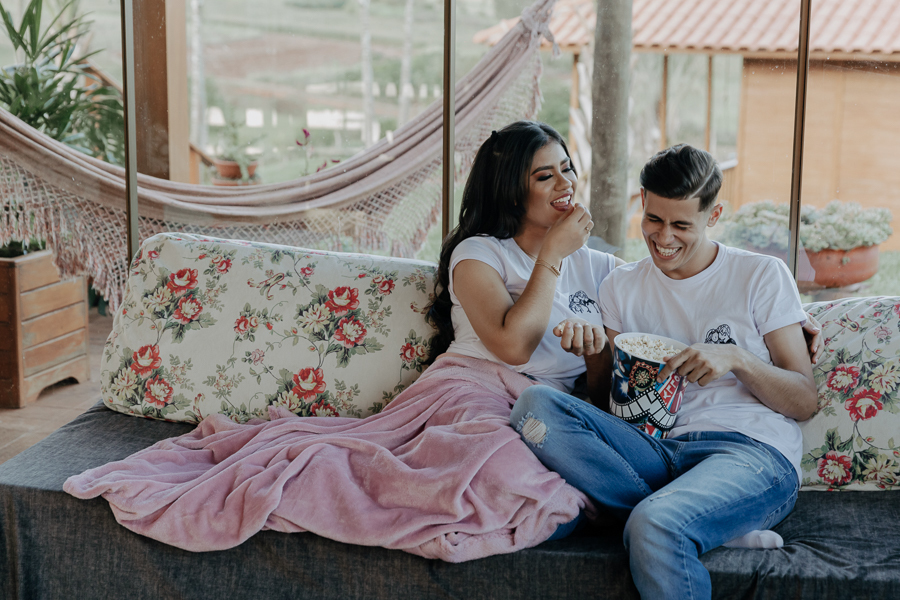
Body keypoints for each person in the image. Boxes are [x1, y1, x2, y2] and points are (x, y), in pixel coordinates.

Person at [510, 143, 819, 599]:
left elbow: (804, 400)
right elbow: (610, 405)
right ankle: (707, 524)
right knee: (533, 407)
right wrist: (595, 354)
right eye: (654, 219)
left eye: (682, 225)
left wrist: (738, 359)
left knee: (654, 524)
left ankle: (672, 519)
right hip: (655, 450)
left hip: (749, 452)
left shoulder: (761, 275)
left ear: (714, 216)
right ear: (642, 202)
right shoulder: (620, 286)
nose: (664, 238)